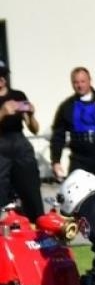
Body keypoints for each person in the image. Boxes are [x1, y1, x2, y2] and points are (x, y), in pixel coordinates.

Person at [0, 62, 44, 219]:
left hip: (19, 141)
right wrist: (2, 113)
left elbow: (34, 129)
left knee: (30, 187)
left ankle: (37, 222)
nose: (1, 78)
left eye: (3, 74)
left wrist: (31, 114)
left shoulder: (18, 95)